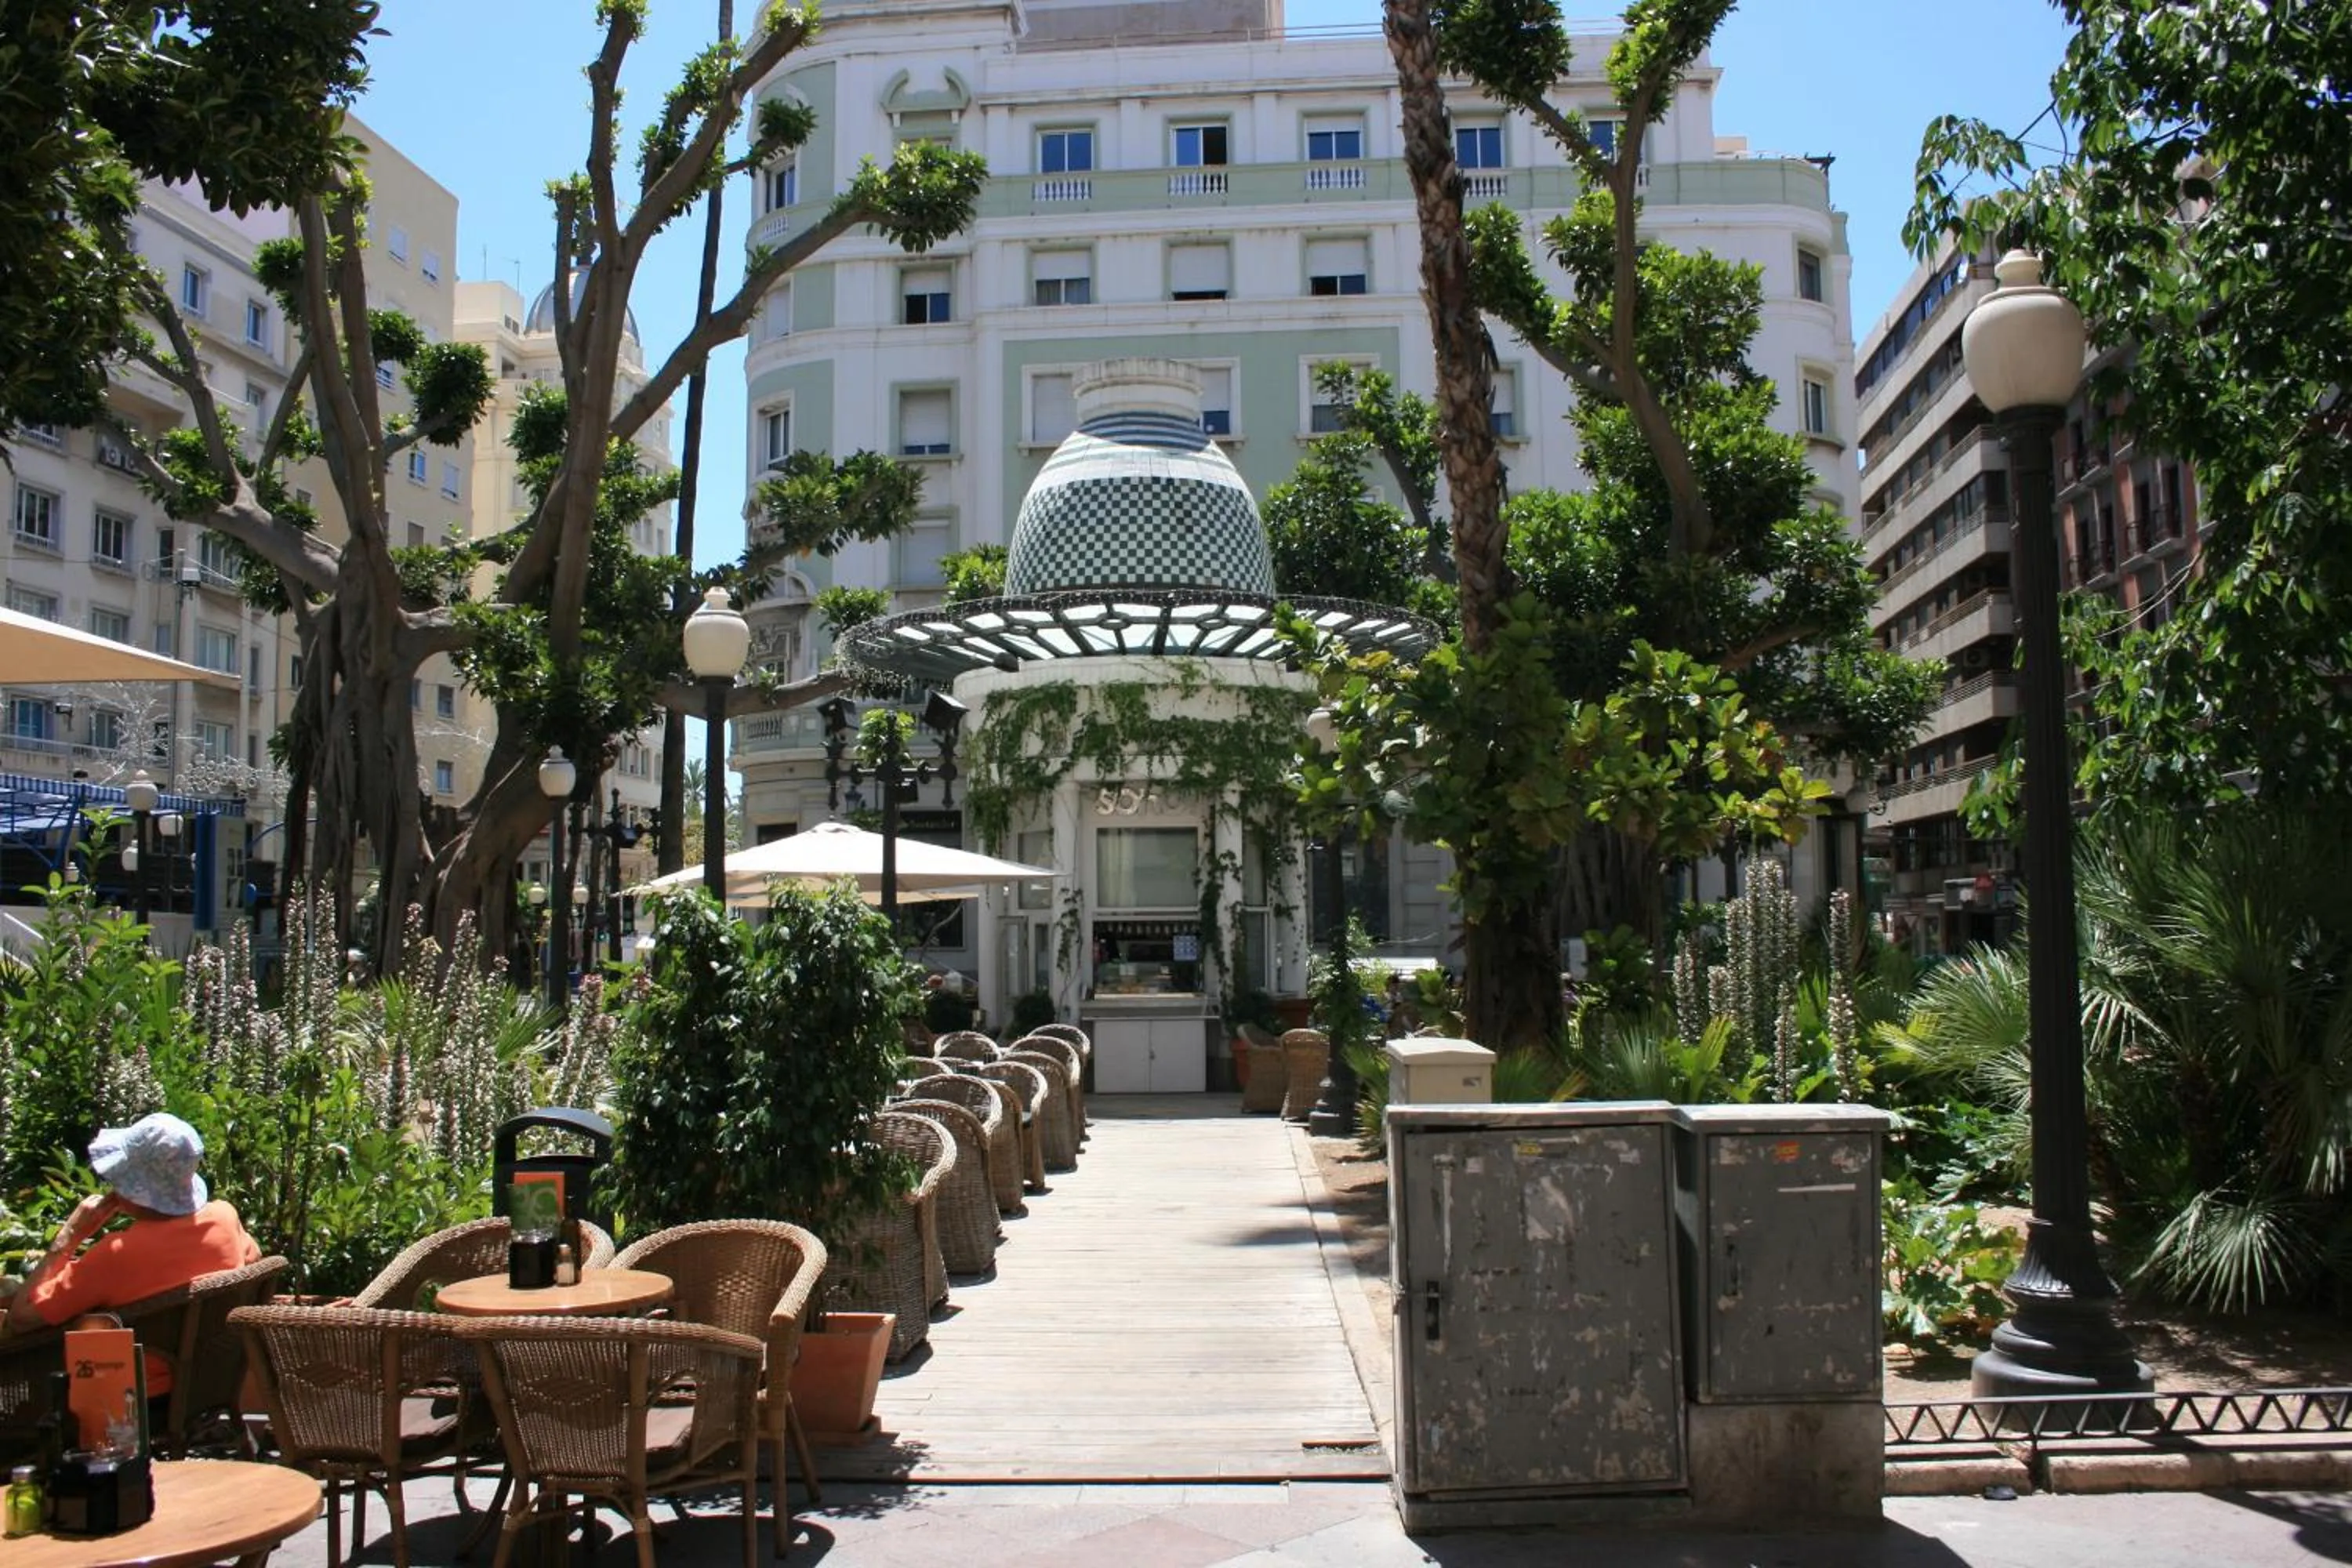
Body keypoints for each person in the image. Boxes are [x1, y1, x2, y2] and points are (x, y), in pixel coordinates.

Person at [0, 1113, 260, 1396]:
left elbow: (21, 1318)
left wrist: (69, 1237)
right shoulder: (224, 1217)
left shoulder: (115, 1256)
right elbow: (254, 1259)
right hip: (207, 1382)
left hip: (129, 1398)